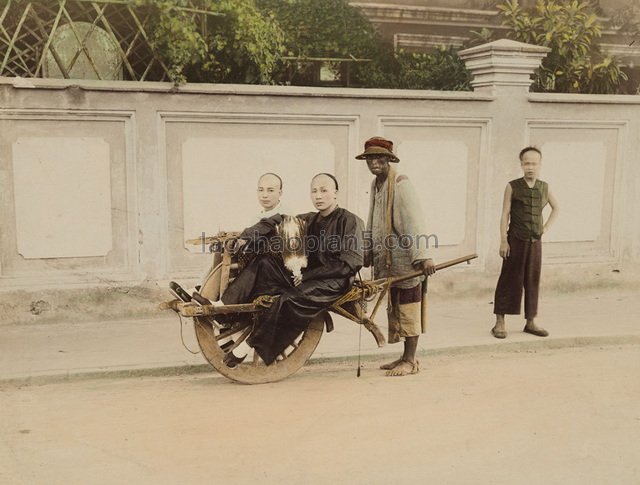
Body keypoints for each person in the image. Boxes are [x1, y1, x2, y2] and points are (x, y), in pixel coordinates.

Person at [220, 173, 365, 366]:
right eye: (314, 191)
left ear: (335, 193)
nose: (318, 196)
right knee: (265, 263)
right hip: (306, 276)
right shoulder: (310, 220)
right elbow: (277, 220)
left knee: (290, 297)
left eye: (324, 191)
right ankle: (224, 309)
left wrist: (307, 276)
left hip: (335, 281)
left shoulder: (350, 221)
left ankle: (249, 345)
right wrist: (246, 237)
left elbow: (349, 264)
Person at [357, 136, 436, 377]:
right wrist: (368, 251)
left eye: (380, 158)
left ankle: (410, 360)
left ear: (389, 159)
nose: (374, 163)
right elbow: (371, 219)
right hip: (386, 259)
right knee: (396, 307)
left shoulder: (400, 183)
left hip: (405, 259)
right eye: (370, 158)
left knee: (408, 307)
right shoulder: (376, 184)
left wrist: (423, 256)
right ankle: (403, 355)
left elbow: (414, 222)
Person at [491, 146, 559, 339]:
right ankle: (499, 321)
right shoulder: (512, 186)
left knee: (532, 280)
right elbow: (504, 214)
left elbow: (556, 208)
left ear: (539, 165)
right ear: (521, 164)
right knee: (508, 279)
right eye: (526, 163)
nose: (530, 167)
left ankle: (531, 321)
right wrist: (503, 240)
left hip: (535, 242)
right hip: (515, 240)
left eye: (534, 163)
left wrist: (545, 228)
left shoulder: (544, 187)